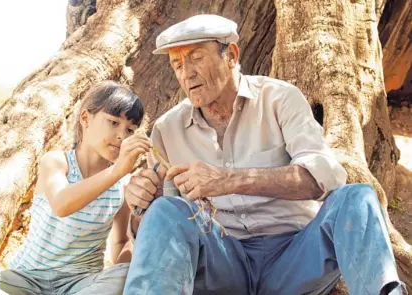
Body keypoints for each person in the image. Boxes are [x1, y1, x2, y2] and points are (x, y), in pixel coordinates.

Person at [122, 14, 406, 295]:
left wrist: (228, 180)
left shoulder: (280, 99)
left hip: (294, 259)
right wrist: (141, 207)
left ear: (231, 55)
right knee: (163, 210)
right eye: (177, 64)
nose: (187, 73)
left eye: (196, 57)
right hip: (222, 264)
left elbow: (325, 178)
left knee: (357, 198)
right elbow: (168, 225)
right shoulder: (167, 130)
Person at [0, 81, 152, 295]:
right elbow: (62, 204)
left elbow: (121, 242)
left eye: (130, 130)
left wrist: (131, 251)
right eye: (113, 122)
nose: (122, 136)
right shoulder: (56, 162)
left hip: (80, 285)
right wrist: (117, 171)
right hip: (26, 279)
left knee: (125, 274)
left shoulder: (123, 185)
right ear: (85, 118)